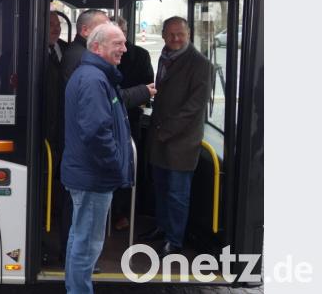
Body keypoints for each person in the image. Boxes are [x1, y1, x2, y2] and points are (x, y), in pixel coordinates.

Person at [62, 22, 133, 294]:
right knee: (88, 244)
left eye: (124, 43)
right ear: (96, 47)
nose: (124, 49)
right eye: (118, 44)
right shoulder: (93, 79)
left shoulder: (94, 75)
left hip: (89, 174)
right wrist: (116, 164)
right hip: (94, 176)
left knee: (79, 238)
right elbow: (96, 132)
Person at [140, 16, 212, 257]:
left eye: (180, 34)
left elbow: (194, 107)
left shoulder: (200, 63)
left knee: (177, 194)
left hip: (181, 142)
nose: (175, 38)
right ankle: (162, 227)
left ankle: (175, 240)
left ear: (189, 33)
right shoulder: (164, 56)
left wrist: (165, 131)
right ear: (163, 35)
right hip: (160, 137)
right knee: (160, 188)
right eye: (170, 34)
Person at [110, 16, 155, 231]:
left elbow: (149, 88)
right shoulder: (98, 56)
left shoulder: (141, 55)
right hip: (107, 119)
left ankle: (120, 212)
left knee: (127, 165)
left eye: (120, 34)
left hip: (130, 118)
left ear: (126, 33)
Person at [43, 11, 71, 265]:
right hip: (40, 134)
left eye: (57, 24)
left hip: (65, 133)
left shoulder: (68, 50)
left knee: (62, 188)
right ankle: (42, 237)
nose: (54, 28)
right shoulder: (28, 48)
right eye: (49, 24)